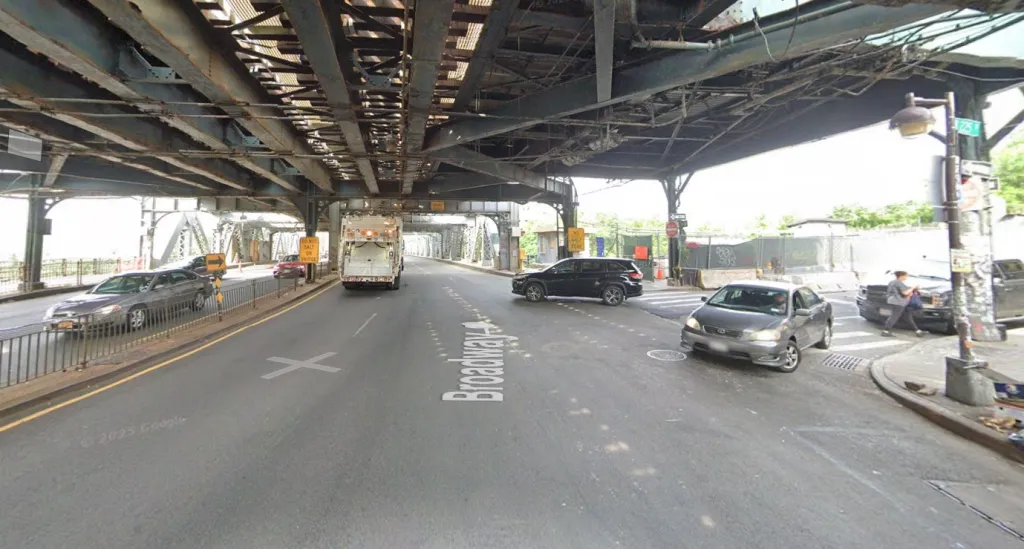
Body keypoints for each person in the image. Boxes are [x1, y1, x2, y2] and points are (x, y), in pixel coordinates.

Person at [882, 271, 925, 337]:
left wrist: (911, 290)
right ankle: (885, 331)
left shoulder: (892, 282)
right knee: (894, 317)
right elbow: (905, 293)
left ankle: (917, 331)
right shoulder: (899, 283)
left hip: (894, 301)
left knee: (907, 316)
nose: (907, 277)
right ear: (902, 276)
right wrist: (913, 288)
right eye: (906, 275)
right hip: (898, 302)